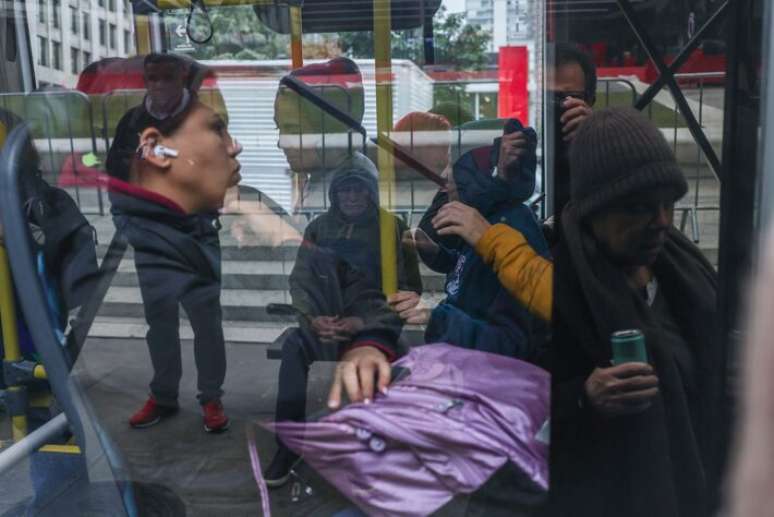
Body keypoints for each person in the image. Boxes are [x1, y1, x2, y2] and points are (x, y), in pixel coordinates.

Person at [436, 107, 724, 517]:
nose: (661, 221)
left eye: (668, 204)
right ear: (594, 212)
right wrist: (582, 399)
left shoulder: (688, 278)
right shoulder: (548, 294)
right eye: (638, 207)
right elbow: (500, 415)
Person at [106, 54, 240, 433]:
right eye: (152, 78)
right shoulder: (132, 121)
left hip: (194, 234)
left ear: (182, 79)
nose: (159, 86)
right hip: (152, 236)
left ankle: (211, 396)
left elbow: (223, 174)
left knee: (206, 323)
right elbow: (114, 171)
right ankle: (164, 395)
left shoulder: (205, 120)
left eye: (166, 78)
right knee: (160, 323)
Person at [415, 117, 550, 360]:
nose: (446, 179)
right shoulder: (481, 221)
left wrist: (435, 317)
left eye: (455, 170)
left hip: (488, 376)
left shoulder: (507, 229)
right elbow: (471, 274)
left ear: (476, 177)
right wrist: (438, 254)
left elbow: (510, 346)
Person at [546, 43, 596, 241]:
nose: (556, 106)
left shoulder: (606, 149)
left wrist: (595, 140)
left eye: (568, 98)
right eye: (547, 97)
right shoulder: (514, 143)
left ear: (590, 100)